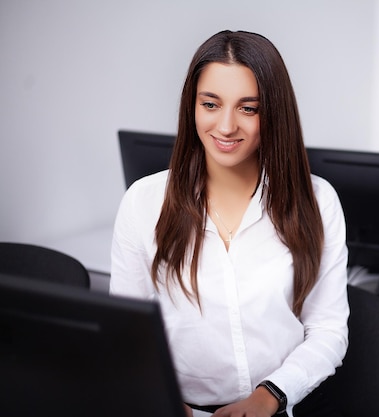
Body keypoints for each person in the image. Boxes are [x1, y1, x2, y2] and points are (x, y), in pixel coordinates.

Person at [109, 30, 349, 417]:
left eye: (248, 108)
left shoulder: (318, 202)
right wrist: (162, 400)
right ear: (192, 106)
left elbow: (328, 330)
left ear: (273, 113)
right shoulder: (143, 201)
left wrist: (269, 395)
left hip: (280, 404)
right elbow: (125, 333)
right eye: (210, 104)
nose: (225, 126)